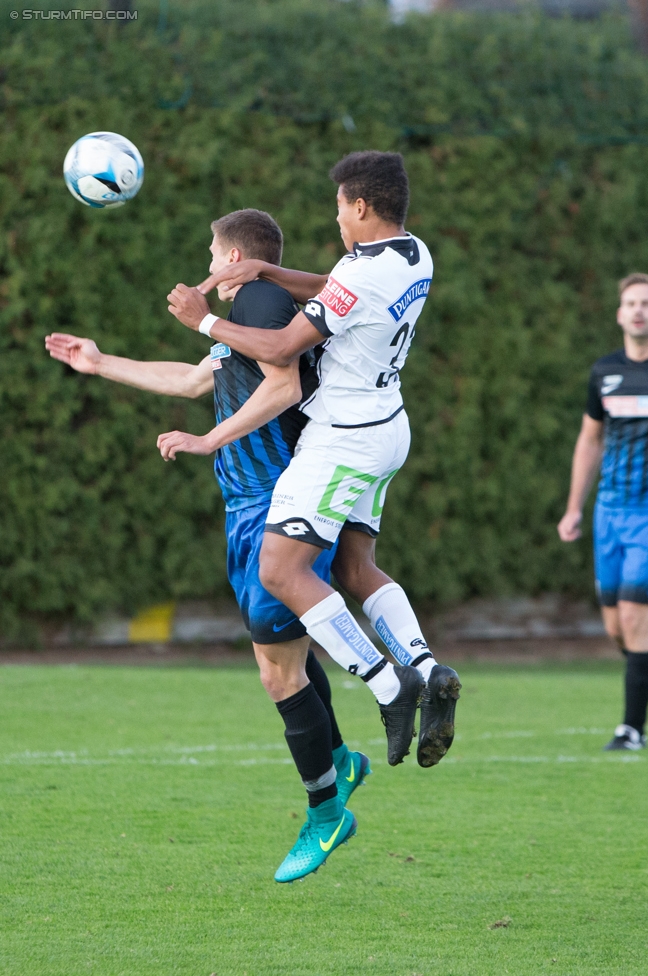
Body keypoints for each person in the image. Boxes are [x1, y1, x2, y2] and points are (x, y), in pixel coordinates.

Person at [45, 208, 368, 881]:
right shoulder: (248, 322)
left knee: (274, 670)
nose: (207, 266)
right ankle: (338, 758)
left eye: (210, 253)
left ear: (229, 257)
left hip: (278, 506)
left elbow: (283, 384)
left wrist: (206, 440)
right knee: (286, 653)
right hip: (249, 508)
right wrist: (99, 363)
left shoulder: (257, 299)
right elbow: (193, 380)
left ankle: (324, 809)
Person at [166, 152, 461, 878]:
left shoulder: (358, 268)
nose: (333, 215)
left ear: (360, 206)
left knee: (281, 568)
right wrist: (268, 274)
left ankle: (391, 687)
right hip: (389, 426)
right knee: (356, 567)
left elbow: (279, 349)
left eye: (338, 204)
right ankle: (424, 664)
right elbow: (336, 289)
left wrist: (204, 320)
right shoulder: (410, 254)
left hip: (344, 438)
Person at [558, 272, 648, 752]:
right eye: (631, 303)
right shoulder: (604, 373)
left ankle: (631, 729)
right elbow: (589, 441)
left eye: (647, 304)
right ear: (619, 314)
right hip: (608, 513)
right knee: (617, 624)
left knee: (636, 618)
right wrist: (575, 507)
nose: (639, 310)